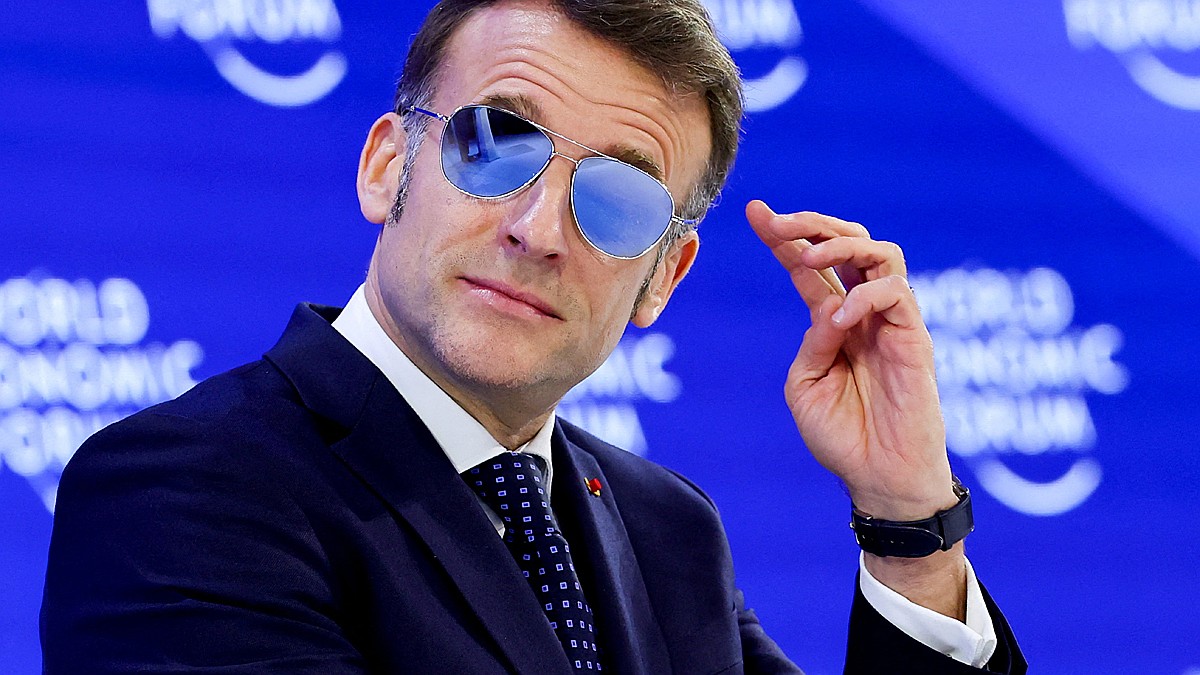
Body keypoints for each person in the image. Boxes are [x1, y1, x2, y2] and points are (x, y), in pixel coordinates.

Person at [40, 0, 1026, 672]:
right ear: (387, 167)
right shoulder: (184, 487)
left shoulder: (669, 529)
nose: (539, 229)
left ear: (662, 278)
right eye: (493, 144)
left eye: (619, 198)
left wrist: (907, 520)